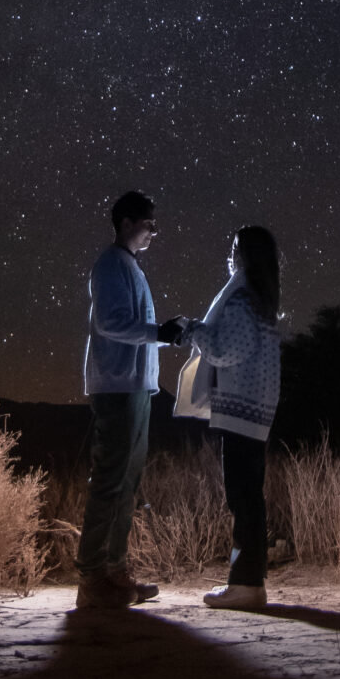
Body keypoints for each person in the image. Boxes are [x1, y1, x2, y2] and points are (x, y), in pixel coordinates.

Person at [77, 189, 185, 609]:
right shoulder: (110, 265)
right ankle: (92, 577)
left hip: (136, 385)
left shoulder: (129, 266)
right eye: (148, 224)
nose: (154, 232)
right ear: (126, 223)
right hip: (116, 385)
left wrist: (161, 334)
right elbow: (110, 322)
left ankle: (115, 571)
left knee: (127, 481)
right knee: (110, 479)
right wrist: (159, 332)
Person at [174, 224, 283, 613]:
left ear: (246, 255)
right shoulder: (261, 300)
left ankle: (246, 585)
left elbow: (227, 350)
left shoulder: (241, 299)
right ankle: (250, 581)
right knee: (249, 496)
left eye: (235, 248)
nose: (230, 255)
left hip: (240, 409)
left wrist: (193, 330)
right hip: (255, 409)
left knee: (242, 497)